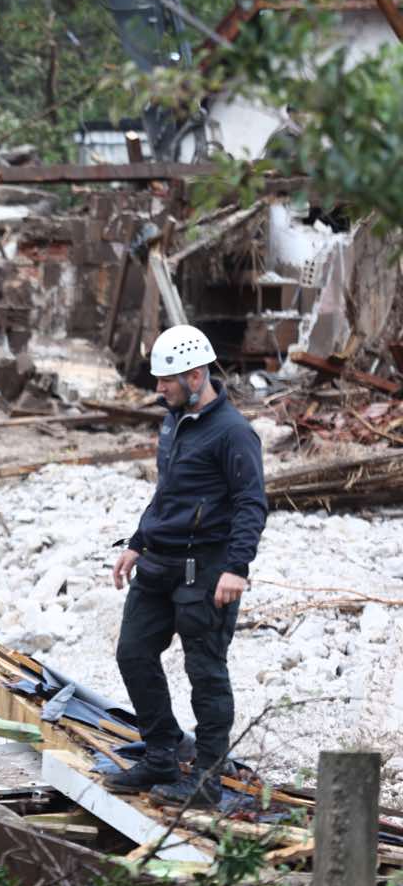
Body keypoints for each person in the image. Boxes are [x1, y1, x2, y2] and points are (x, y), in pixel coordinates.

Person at [105, 325, 266, 808]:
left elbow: (251, 504)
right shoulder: (173, 420)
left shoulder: (234, 433)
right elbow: (167, 492)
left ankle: (206, 780)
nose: (159, 389)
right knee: (132, 653)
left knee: (206, 674)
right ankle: (161, 754)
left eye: (166, 380)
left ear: (196, 375)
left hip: (208, 574)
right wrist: (137, 541)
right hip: (157, 565)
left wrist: (237, 567)